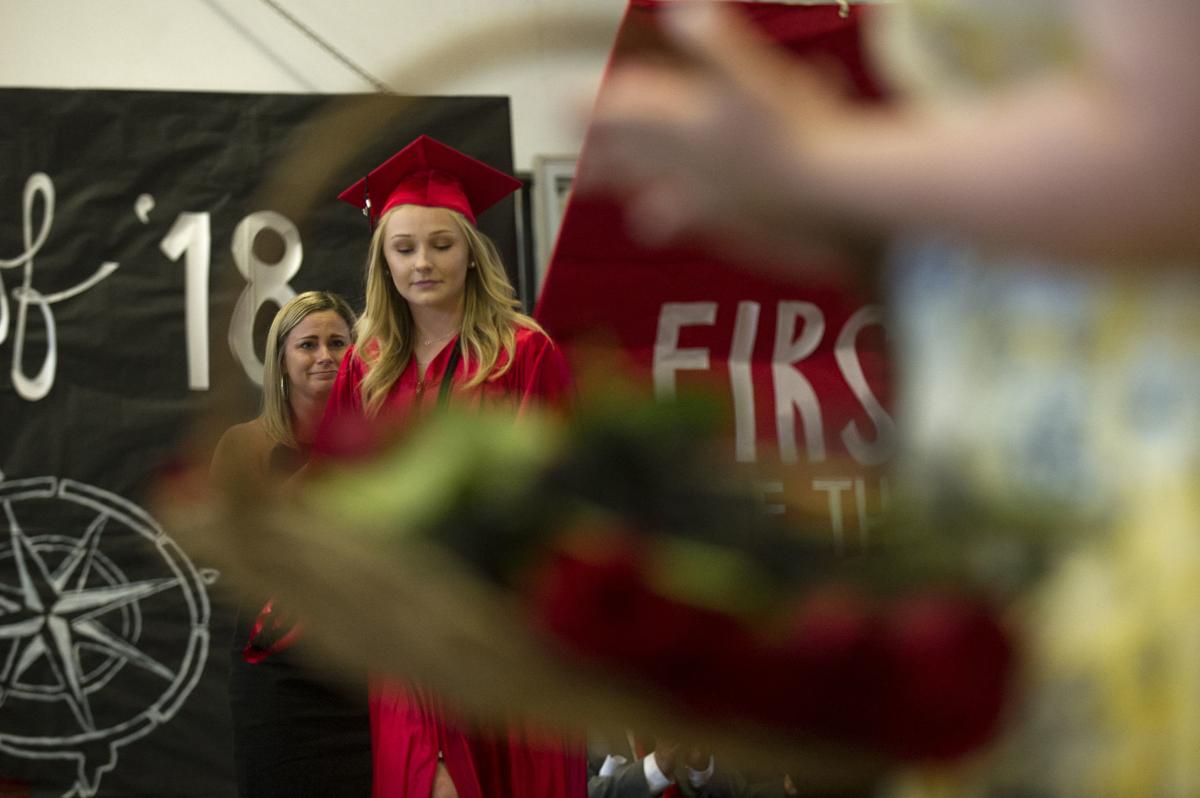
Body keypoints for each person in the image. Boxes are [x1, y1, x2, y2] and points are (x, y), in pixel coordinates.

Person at [583, 1, 1200, 791]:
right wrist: (838, 216)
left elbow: (1178, 140)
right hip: (1025, 475)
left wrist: (812, 160)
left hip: (1150, 463)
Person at [316, 135, 581, 798]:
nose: (423, 263)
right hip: (411, 631)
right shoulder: (366, 364)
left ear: (471, 251)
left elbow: (564, 492)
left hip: (506, 625)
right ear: (384, 261)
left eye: (442, 244)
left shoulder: (524, 352)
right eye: (404, 248)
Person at [210, 290, 371, 797]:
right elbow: (237, 555)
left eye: (338, 342)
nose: (325, 355)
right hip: (277, 671)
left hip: (362, 664)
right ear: (280, 359)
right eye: (308, 344)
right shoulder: (244, 445)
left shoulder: (379, 441)